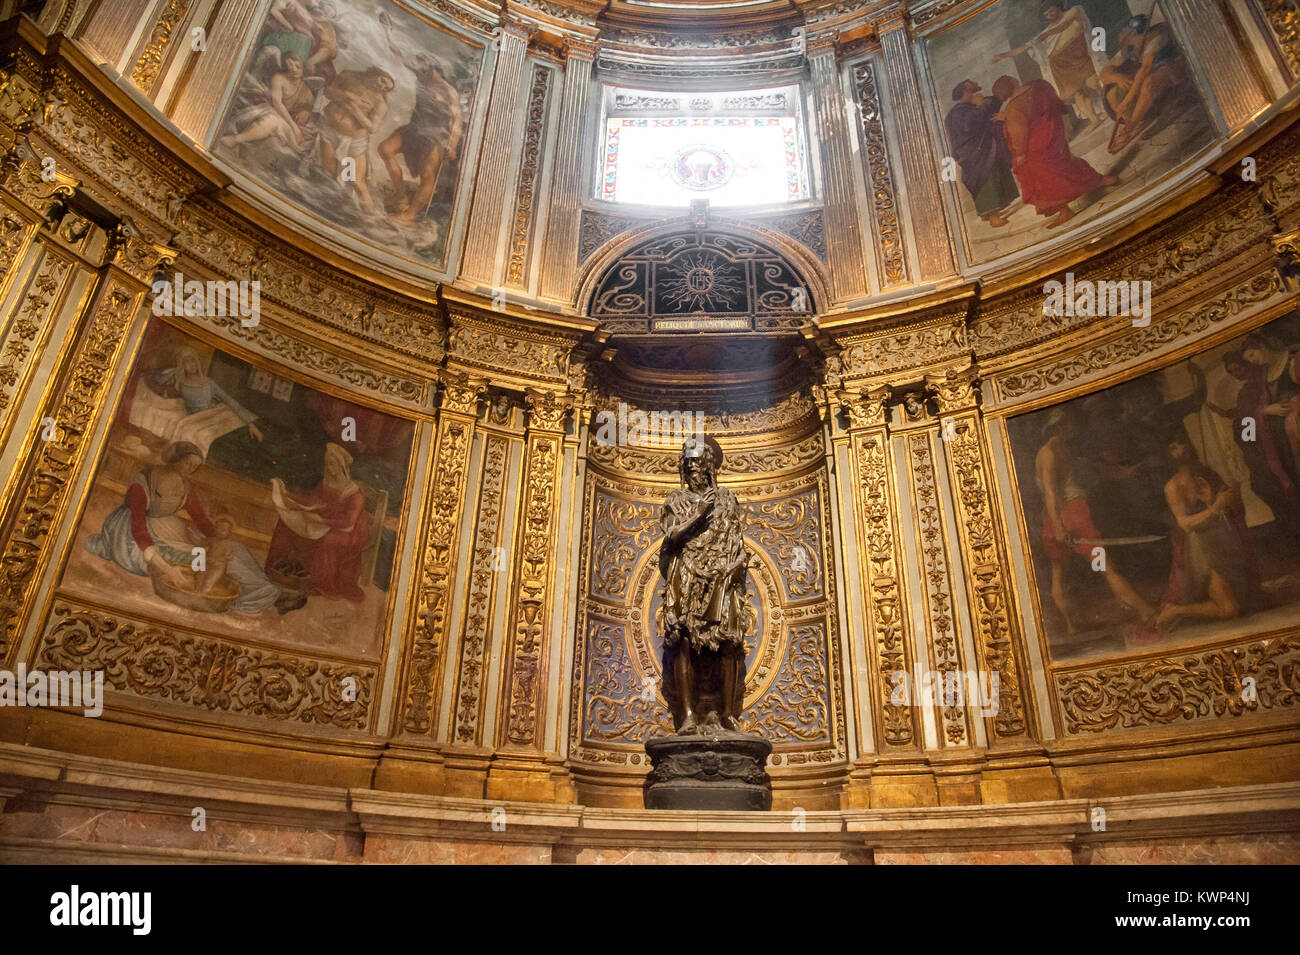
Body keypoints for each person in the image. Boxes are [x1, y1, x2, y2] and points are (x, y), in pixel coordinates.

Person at [84, 442, 288, 614]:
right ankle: (260, 593)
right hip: (133, 532)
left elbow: (200, 519)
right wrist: (166, 569)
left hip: (169, 527)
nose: (190, 468)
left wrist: (218, 540)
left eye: (194, 466)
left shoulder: (185, 486)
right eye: (187, 462)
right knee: (204, 556)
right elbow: (138, 527)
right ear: (175, 458)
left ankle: (264, 585)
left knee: (230, 549)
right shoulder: (144, 481)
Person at [658, 436, 751, 734]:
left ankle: (727, 715)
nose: (694, 466)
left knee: (727, 640)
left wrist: (733, 568)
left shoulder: (725, 498)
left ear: (710, 464)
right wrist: (699, 515)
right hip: (686, 574)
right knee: (683, 638)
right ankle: (686, 715)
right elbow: (672, 537)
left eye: (699, 461)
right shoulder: (676, 499)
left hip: (722, 575)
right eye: (689, 462)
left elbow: (737, 541)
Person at [1035, 409, 1155, 634]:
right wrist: (1060, 528)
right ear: (1057, 427)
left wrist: (1125, 472)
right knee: (1104, 568)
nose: (1070, 428)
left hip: (1059, 516)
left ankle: (1071, 626)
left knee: (1060, 572)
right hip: (1069, 515)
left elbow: (1094, 468)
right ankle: (1145, 611)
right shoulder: (1050, 453)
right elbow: (1051, 492)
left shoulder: (1063, 450)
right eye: (1065, 424)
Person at [992, 74, 1117, 228]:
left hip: (1037, 146)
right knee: (1067, 164)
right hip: (1054, 133)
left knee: (1044, 180)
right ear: (1014, 81)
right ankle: (1100, 180)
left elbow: (1019, 133)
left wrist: (1020, 154)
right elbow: (1051, 104)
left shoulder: (1013, 108)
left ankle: (1065, 210)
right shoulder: (1037, 85)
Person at [1158, 434, 1256, 630]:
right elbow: (1185, 524)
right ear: (1167, 455)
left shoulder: (1204, 474)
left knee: (1246, 601)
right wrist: (1214, 507)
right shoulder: (1173, 486)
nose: (1181, 450)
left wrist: (1225, 496)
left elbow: (1226, 509)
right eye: (1173, 448)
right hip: (1201, 552)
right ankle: (1175, 611)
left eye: (1182, 444)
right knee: (1230, 609)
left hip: (1222, 543)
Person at [375, 10, 463, 225]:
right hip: (414, 129)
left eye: (423, 62)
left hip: (434, 137)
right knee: (385, 149)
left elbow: (457, 119)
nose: (419, 65)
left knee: (427, 175)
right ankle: (400, 193)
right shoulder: (422, 79)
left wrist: (452, 144)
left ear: (433, 66)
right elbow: (398, 53)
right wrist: (388, 31)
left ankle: (410, 215)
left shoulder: (447, 90)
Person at [265, 443, 369, 603]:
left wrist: (321, 520)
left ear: (341, 466)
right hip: (324, 522)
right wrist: (288, 495)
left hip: (349, 532)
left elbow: (349, 522)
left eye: (333, 464)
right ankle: (281, 565)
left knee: (327, 539)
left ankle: (321, 582)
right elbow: (314, 502)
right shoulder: (325, 483)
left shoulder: (354, 493)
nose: (329, 468)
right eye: (327, 464)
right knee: (287, 523)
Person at [993, 2, 1104, 129]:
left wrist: (1045, 35)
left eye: (1051, 11)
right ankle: (1094, 119)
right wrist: (1003, 55)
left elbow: (1063, 26)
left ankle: (1110, 107)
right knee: (1077, 95)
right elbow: (1025, 47)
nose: (1049, 15)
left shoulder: (1074, 11)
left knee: (1094, 83)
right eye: (1046, 14)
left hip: (1081, 58)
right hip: (1062, 67)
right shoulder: (1048, 30)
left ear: (1057, 6)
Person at [1098, 13, 1192, 152]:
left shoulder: (1155, 38)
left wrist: (1126, 101)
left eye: (1126, 33)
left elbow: (1145, 70)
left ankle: (1129, 129)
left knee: (1148, 83)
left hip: (1173, 68)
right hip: (1153, 74)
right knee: (1112, 93)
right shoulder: (1129, 47)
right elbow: (1103, 74)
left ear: (1133, 33)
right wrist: (1117, 77)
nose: (1122, 35)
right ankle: (1138, 119)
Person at [147, 346, 263, 443]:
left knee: (241, 430)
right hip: (198, 419)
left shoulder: (209, 383)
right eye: (186, 362)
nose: (191, 364)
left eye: (192, 360)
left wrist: (250, 424)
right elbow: (155, 378)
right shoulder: (178, 380)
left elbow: (229, 401)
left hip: (216, 414)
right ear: (182, 365)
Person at [319, 67, 394, 215]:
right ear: (376, 73)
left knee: (355, 181)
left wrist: (355, 110)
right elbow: (328, 92)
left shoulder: (380, 103)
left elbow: (372, 128)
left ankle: (371, 221)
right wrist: (346, 95)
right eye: (382, 81)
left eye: (386, 88)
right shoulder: (348, 75)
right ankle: (331, 210)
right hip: (329, 131)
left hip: (352, 143)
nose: (382, 86)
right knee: (328, 173)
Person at [944, 79, 1018, 227]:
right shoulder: (957, 112)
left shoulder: (970, 107)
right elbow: (968, 126)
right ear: (966, 93)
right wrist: (979, 107)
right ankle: (993, 218)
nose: (978, 93)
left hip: (983, 149)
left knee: (993, 177)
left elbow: (988, 111)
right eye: (974, 91)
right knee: (985, 182)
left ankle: (991, 213)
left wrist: (994, 100)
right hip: (972, 154)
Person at [218, 51, 314, 155]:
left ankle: (236, 139)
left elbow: (309, 109)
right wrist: (293, 126)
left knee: (272, 120)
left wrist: (306, 111)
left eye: (297, 66)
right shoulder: (279, 78)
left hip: (290, 124)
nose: (294, 69)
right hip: (277, 112)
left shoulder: (307, 91)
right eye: (290, 65)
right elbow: (277, 103)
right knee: (271, 119)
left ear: (303, 67)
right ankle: (236, 139)